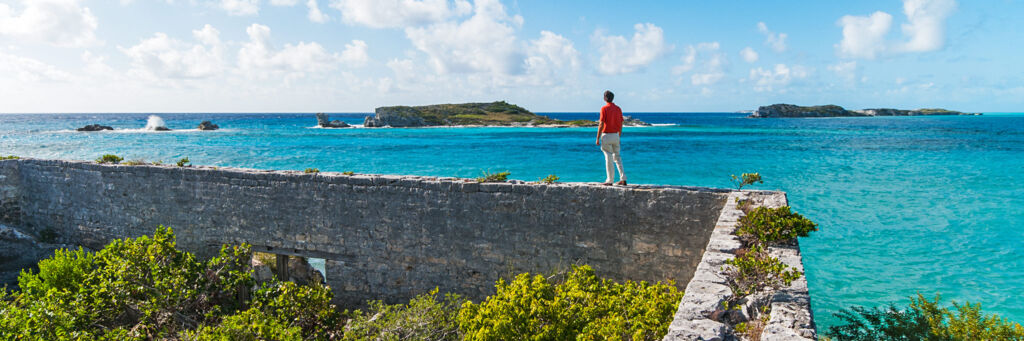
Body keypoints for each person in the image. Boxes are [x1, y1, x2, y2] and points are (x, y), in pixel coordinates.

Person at [596, 90, 626, 186]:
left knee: (608, 157)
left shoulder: (604, 108)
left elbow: (601, 124)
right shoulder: (618, 109)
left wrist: (597, 137)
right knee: (617, 157)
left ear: (605, 98)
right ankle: (623, 178)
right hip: (616, 135)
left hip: (607, 135)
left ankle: (609, 180)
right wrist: (619, 135)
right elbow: (621, 123)